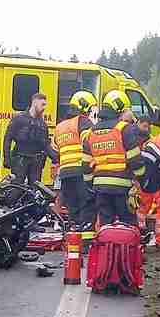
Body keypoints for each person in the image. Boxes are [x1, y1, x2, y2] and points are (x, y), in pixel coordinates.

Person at [83, 89, 147, 228]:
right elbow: (135, 160)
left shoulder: (90, 133)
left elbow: (86, 165)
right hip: (122, 188)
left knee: (106, 226)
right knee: (128, 225)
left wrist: (90, 186)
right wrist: (142, 180)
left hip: (100, 188)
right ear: (119, 109)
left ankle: (107, 249)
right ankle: (127, 250)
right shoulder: (124, 129)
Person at [52, 90, 96, 231]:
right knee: (86, 206)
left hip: (65, 172)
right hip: (80, 171)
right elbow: (89, 142)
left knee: (73, 209)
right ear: (84, 106)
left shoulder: (59, 127)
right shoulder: (83, 121)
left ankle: (74, 243)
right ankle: (85, 242)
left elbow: (54, 151)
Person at [4, 92, 58, 186]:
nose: (44, 108)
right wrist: (7, 159)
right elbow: (7, 139)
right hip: (20, 160)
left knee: (35, 190)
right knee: (16, 189)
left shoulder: (42, 124)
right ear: (34, 103)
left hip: (36, 162)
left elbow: (45, 145)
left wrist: (56, 157)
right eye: (43, 104)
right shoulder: (19, 119)